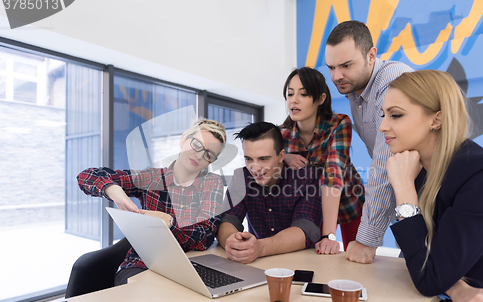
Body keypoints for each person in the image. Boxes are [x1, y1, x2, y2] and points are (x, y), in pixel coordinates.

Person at [380, 69, 483, 302]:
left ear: (437, 119)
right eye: (383, 115)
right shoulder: (419, 169)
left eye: (395, 115)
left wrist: (403, 187)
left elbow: (428, 277)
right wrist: (455, 287)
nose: (383, 126)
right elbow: (420, 258)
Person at [77, 119, 227, 285]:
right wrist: (112, 189)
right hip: (143, 264)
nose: (199, 155)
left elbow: (205, 236)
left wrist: (169, 223)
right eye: (197, 144)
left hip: (189, 268)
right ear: (183, 139)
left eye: (208, 154)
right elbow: (86, 176)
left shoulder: (212, 184)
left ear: (211, 161)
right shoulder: (151, 178)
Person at [325, 20, 413, 263]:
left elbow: (385, 162)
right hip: (407, 200)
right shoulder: (355, 91)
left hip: (436, 197)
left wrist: (367, 240)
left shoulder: (392, 80)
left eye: (346, 65)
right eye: (331, 67)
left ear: (371, 55)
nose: (336, 76)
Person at [280, 67, 364, 254]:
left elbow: (333, 171)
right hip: (312, 205)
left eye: (303, 94)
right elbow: (266, 158)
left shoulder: (339, 123)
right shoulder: (282, 134)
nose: (294, 100)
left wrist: (329, 235)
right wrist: (284, 156)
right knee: (314, 258)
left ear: (320, 99)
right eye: (290, 94)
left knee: (355, 256)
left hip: (348, 199)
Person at [217, 122, 323, 264]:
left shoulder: (307, 179)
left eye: (263, 159)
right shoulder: (241, 177)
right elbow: (227, 220)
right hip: (256, 264)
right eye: (248, 159)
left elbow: (305, 230)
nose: (255, 167)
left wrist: (260, 248)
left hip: (300, 264)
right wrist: (232, 242)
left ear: (281, 156)